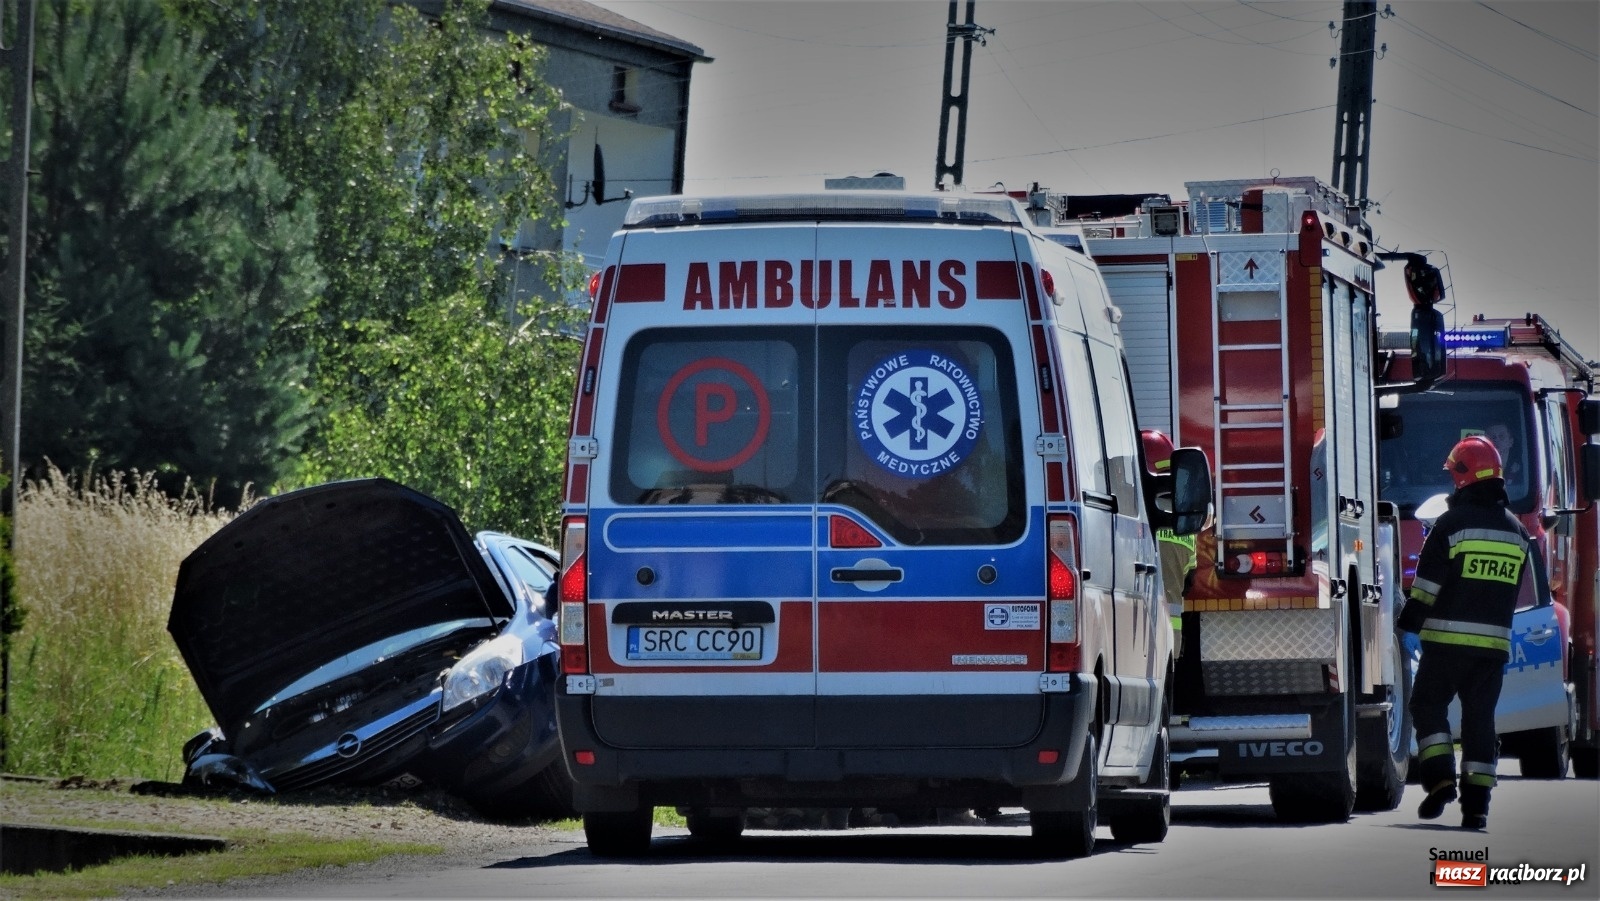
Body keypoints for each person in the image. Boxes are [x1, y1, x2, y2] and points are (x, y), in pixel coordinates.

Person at [1399, 434, 1538, 831]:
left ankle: (1440, 779)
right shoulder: (1517, 534)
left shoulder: (1450, 524)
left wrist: (1407, 625)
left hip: (1444, 645)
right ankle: (1477, 808)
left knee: (1427, 707)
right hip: (1492, 650)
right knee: (1480, 722)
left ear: (1463, 477)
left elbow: (1426, 589)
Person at [1142, 430, 1197, 657]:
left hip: (1139, 645)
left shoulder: (1138, 515)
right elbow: (1190, 577)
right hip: (1169, 648)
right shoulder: (1182, 517)